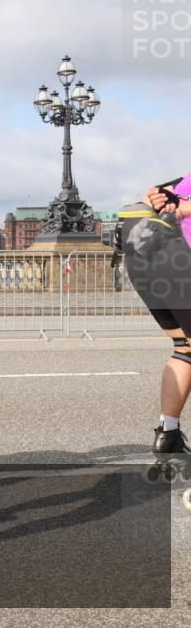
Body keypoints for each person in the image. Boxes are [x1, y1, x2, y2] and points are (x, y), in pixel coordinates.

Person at [123, 174, 191, 460]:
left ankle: (169, 433)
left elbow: (149, 196)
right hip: (181, 261)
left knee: (185, 348)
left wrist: (167, 202)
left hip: (146, 264)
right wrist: (181, 207)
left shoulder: (181, 179)